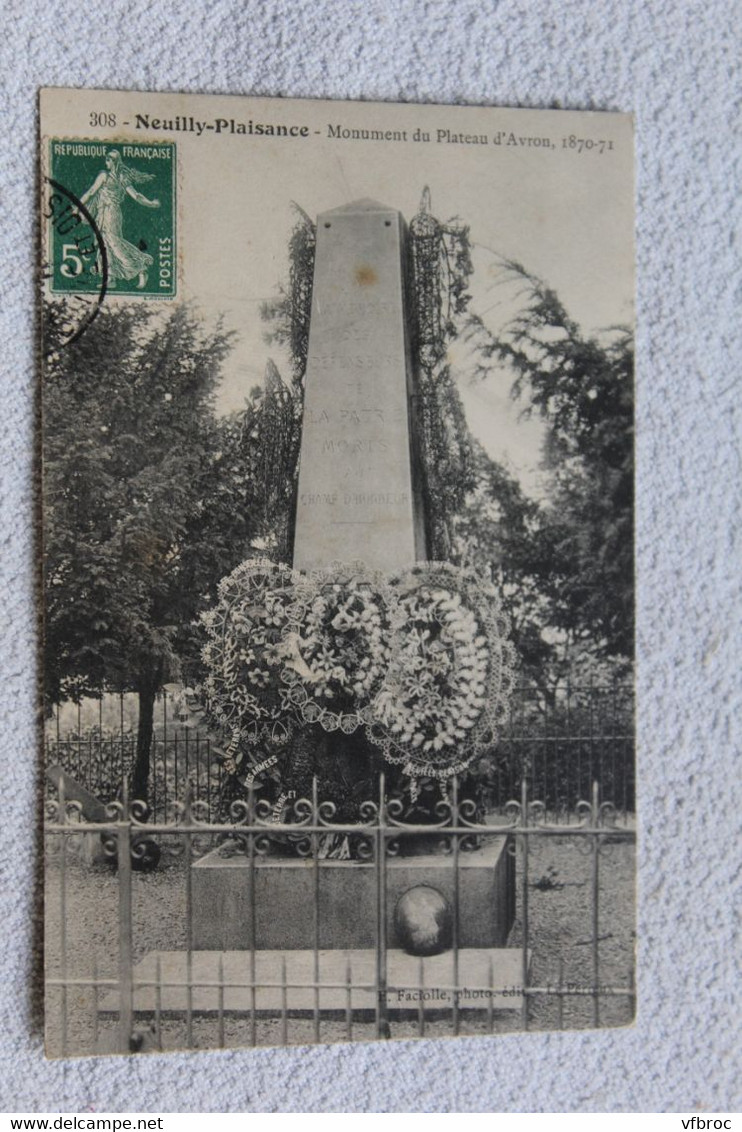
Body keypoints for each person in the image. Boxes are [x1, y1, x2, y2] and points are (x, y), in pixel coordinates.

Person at [80, 150, 160, 289]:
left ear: (114, 161)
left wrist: (77, 204)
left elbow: (92, 192)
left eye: (109, 160)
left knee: (112, 243)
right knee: (105, 244)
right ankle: (110, 278)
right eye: (106, 160)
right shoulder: (120, 177)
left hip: (109, 212)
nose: (106, 162)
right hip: (105, 213)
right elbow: (136, 196)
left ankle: (141, 267)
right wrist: (151, 203)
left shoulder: (106, 176)